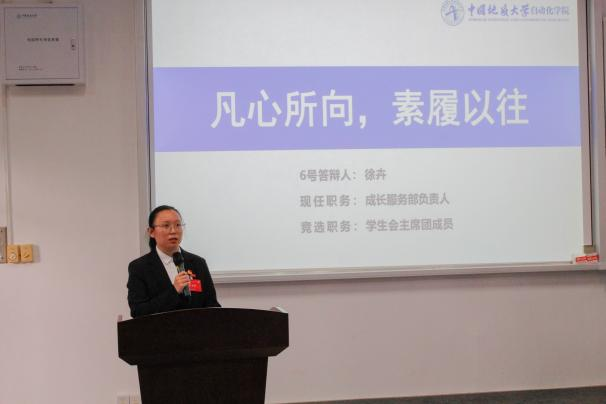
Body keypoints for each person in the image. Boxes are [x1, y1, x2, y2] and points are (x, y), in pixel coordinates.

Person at [127, 205, 220, 318]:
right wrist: (174, 291)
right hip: (159, 328)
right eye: (166, 226)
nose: (173, 231)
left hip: (195, 327)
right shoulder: (140, 267)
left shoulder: (198, 263)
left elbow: (212, 305)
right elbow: (138, 311)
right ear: (151, 232)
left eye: (178, 225)